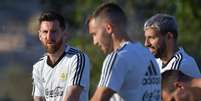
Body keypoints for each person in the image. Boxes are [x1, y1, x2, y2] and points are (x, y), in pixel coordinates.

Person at [87, 3, 161, 101]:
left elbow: (99, 98)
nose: (94, 42)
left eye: (95, 34)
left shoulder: (118, 57)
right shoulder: (147, 55)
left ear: (108, 28)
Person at [32, 11, 90, 101]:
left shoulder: (77, 58)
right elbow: (38, 99)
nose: (49, 37)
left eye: (53, 31)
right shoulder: (38, 67)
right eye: (45, 32)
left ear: (64, 33)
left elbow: (72, 97)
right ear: (40, 35)